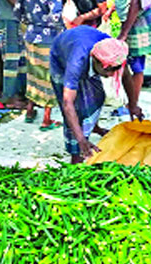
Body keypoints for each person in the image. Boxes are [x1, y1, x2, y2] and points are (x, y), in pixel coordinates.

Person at [50, 26, 143, 163]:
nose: (111, 74)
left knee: (96, 97)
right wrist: (81, 140)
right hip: (61, 57)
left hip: (83, 41)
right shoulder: (76, 62)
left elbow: (126, 77)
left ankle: (94, 127)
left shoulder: (113, 52)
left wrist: (133, 105)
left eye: (115, 69)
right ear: (96, 61)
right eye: (109, 70)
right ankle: (76, 153)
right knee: (76, 109)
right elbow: (67, 103)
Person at [15, 0, 64, 129]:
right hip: (48, 37)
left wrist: (31, 22)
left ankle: (30, 110)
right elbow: (55, 14)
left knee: (33, 74)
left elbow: (18, 10)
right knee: (50, 76)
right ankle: (46, 119)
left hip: (29, 35)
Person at [112, 0, 151, 105]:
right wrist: (112, 9)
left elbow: (135, 2)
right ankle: (130, 101)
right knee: (126, 62)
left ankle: (133, 104)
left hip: (137, 22)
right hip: (130, 21)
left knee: (136, 65)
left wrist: (124, 33)